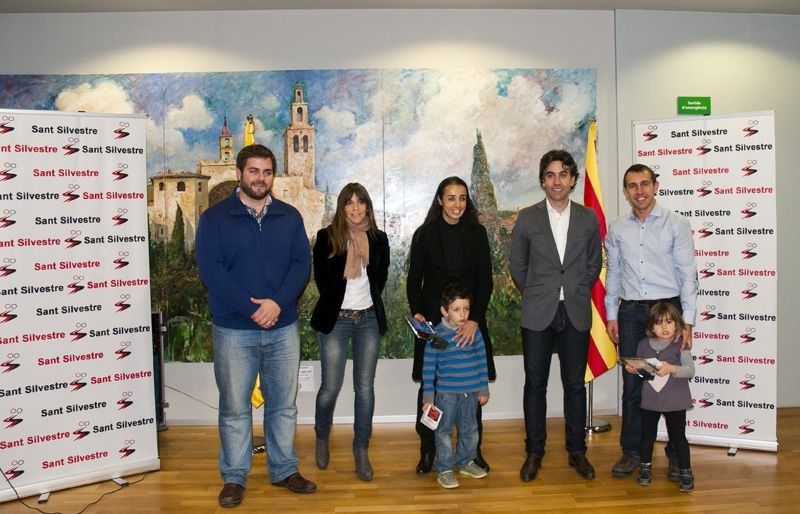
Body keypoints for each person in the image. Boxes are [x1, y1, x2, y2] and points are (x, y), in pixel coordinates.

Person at [196, 144, 316, 508]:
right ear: (239, 173)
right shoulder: (215, 219)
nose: (260, 178)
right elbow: (212, 271)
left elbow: (301, 265)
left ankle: (284, 470)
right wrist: (253, 310)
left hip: (282, 327)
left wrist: (277, 303)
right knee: (235, 408)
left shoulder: (289, 217)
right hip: (234, 330)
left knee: (284, 406)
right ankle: (234, 477)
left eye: (266, 172)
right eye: (253, 171)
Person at [510, 149, 602, 482]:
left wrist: (574, 288)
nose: (557, 181)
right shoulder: (527, 218)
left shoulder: (588, 218)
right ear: (542, 181)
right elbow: (517, 265)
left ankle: (577, 451)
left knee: (574, 386)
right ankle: (534, 452)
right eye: (550, 175)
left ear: (573, 179)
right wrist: (538, 291)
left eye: (563, 174)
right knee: (535, 385)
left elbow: (594, 264)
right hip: (538, 313)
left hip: (575, 311)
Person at [605, 163, 697, 481]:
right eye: (632, 185)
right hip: (630, 313)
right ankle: (632, 450)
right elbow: (614, 274)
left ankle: (675, 454)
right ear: (626, 191)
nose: (639, 191)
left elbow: (688, 275)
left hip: (668, 311)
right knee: (634, 385)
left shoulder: (677, 224)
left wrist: (688, 321)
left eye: (645, 184)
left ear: (656, 186)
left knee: (671, 383)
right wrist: (612, 315)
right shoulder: (617, 229)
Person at [407, 176, 495, 474]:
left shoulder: (478, 233)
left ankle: (473, 452)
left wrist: (474, 320)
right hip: (434, 326)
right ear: (440, 200)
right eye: (451, 197)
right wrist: (419, 313)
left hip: (470, 323)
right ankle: (428, 450)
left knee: (472, 389)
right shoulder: (424, 234)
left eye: (462, 197)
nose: (457, 204)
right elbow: (414, 281)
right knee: (430, 387)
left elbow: (485, 282)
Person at [310, 183, 390, 482]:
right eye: (349, 202)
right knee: (330, 387)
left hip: (368, 320)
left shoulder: (379, 239)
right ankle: (322, 436)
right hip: (336, 321)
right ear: (341, 207)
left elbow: (380, 279)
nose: (355, 208)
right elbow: (322, 281)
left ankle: (361, 449)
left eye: (360, 201)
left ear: (368, 206)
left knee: (365, 388)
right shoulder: (327, 237)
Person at [422, 283, 490, 489]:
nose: (463, 314)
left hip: (471, 392)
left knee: (470, 429)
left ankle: (466, 462)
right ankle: (444, 468)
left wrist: (483, 388)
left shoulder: (474, 332)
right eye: (457, 309)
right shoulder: (437, 335)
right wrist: (428, 396)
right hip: (446, 395)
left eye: (466, 309)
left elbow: (482, 359)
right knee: (443, 431)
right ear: (445, 311)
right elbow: (428, 366)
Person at [624, 302, 695, 492]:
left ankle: (686, 470)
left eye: (669, 322)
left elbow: (690, 370)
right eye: (659, 323)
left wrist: (671, 368)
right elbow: (644, 373)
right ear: (651, 326)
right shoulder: (643, 345)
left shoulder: (680, 344)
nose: (664, 327)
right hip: (651, 400)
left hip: (675, 401)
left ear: (677, 324)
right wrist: (634, 369)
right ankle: (645, 467)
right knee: (647, 436)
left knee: (678, 438)